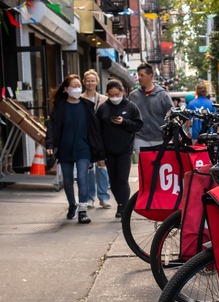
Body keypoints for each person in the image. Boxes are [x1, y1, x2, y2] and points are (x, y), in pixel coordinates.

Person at [45, 74, 104, 224]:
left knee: (82, 178)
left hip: (83, 148)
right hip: (65, 148)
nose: (78, 89)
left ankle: (82, 210)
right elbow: (52, 127)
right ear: (66, 89)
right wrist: (50, 145)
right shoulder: (60, 107)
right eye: (74, 86)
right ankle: (72, 204)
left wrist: (98, 148)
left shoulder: (86, 106)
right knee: (67, 179)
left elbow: (95, 128)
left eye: (79, 86)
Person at [96, 79, 144, 218]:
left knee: (122, 179)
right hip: (109, 150)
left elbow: (138, 125)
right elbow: (97, 130)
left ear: (122, 92)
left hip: (125, 149)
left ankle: (123, 206)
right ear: (107, 94)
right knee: (114, 180)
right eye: (111, 95)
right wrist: (99, 152)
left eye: (117, 94)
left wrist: (124, 122)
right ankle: (120, 203)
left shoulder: (131, 107)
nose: (115, 98)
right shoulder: (103, 108)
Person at [80, 69, 111, 210]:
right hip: (85, 137)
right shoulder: (80, 99)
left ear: (97, 82)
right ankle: (90, 197)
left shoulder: (104, 100)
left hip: (101, 138)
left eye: (93, 80)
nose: (90, 83)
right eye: (88, 80)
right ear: (83, 82)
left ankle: (104, 197)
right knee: (88, 167)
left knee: (102, 166)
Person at [128, 63, 174, 154]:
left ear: (150, 76)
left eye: (142, 75)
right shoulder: (133, 96)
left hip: (159, 138)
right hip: (140, 138)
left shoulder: (162, 95)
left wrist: (171, 134)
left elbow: (171, 114)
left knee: (158, 166)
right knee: (145, 166)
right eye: (138, 75)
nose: (139, 78)